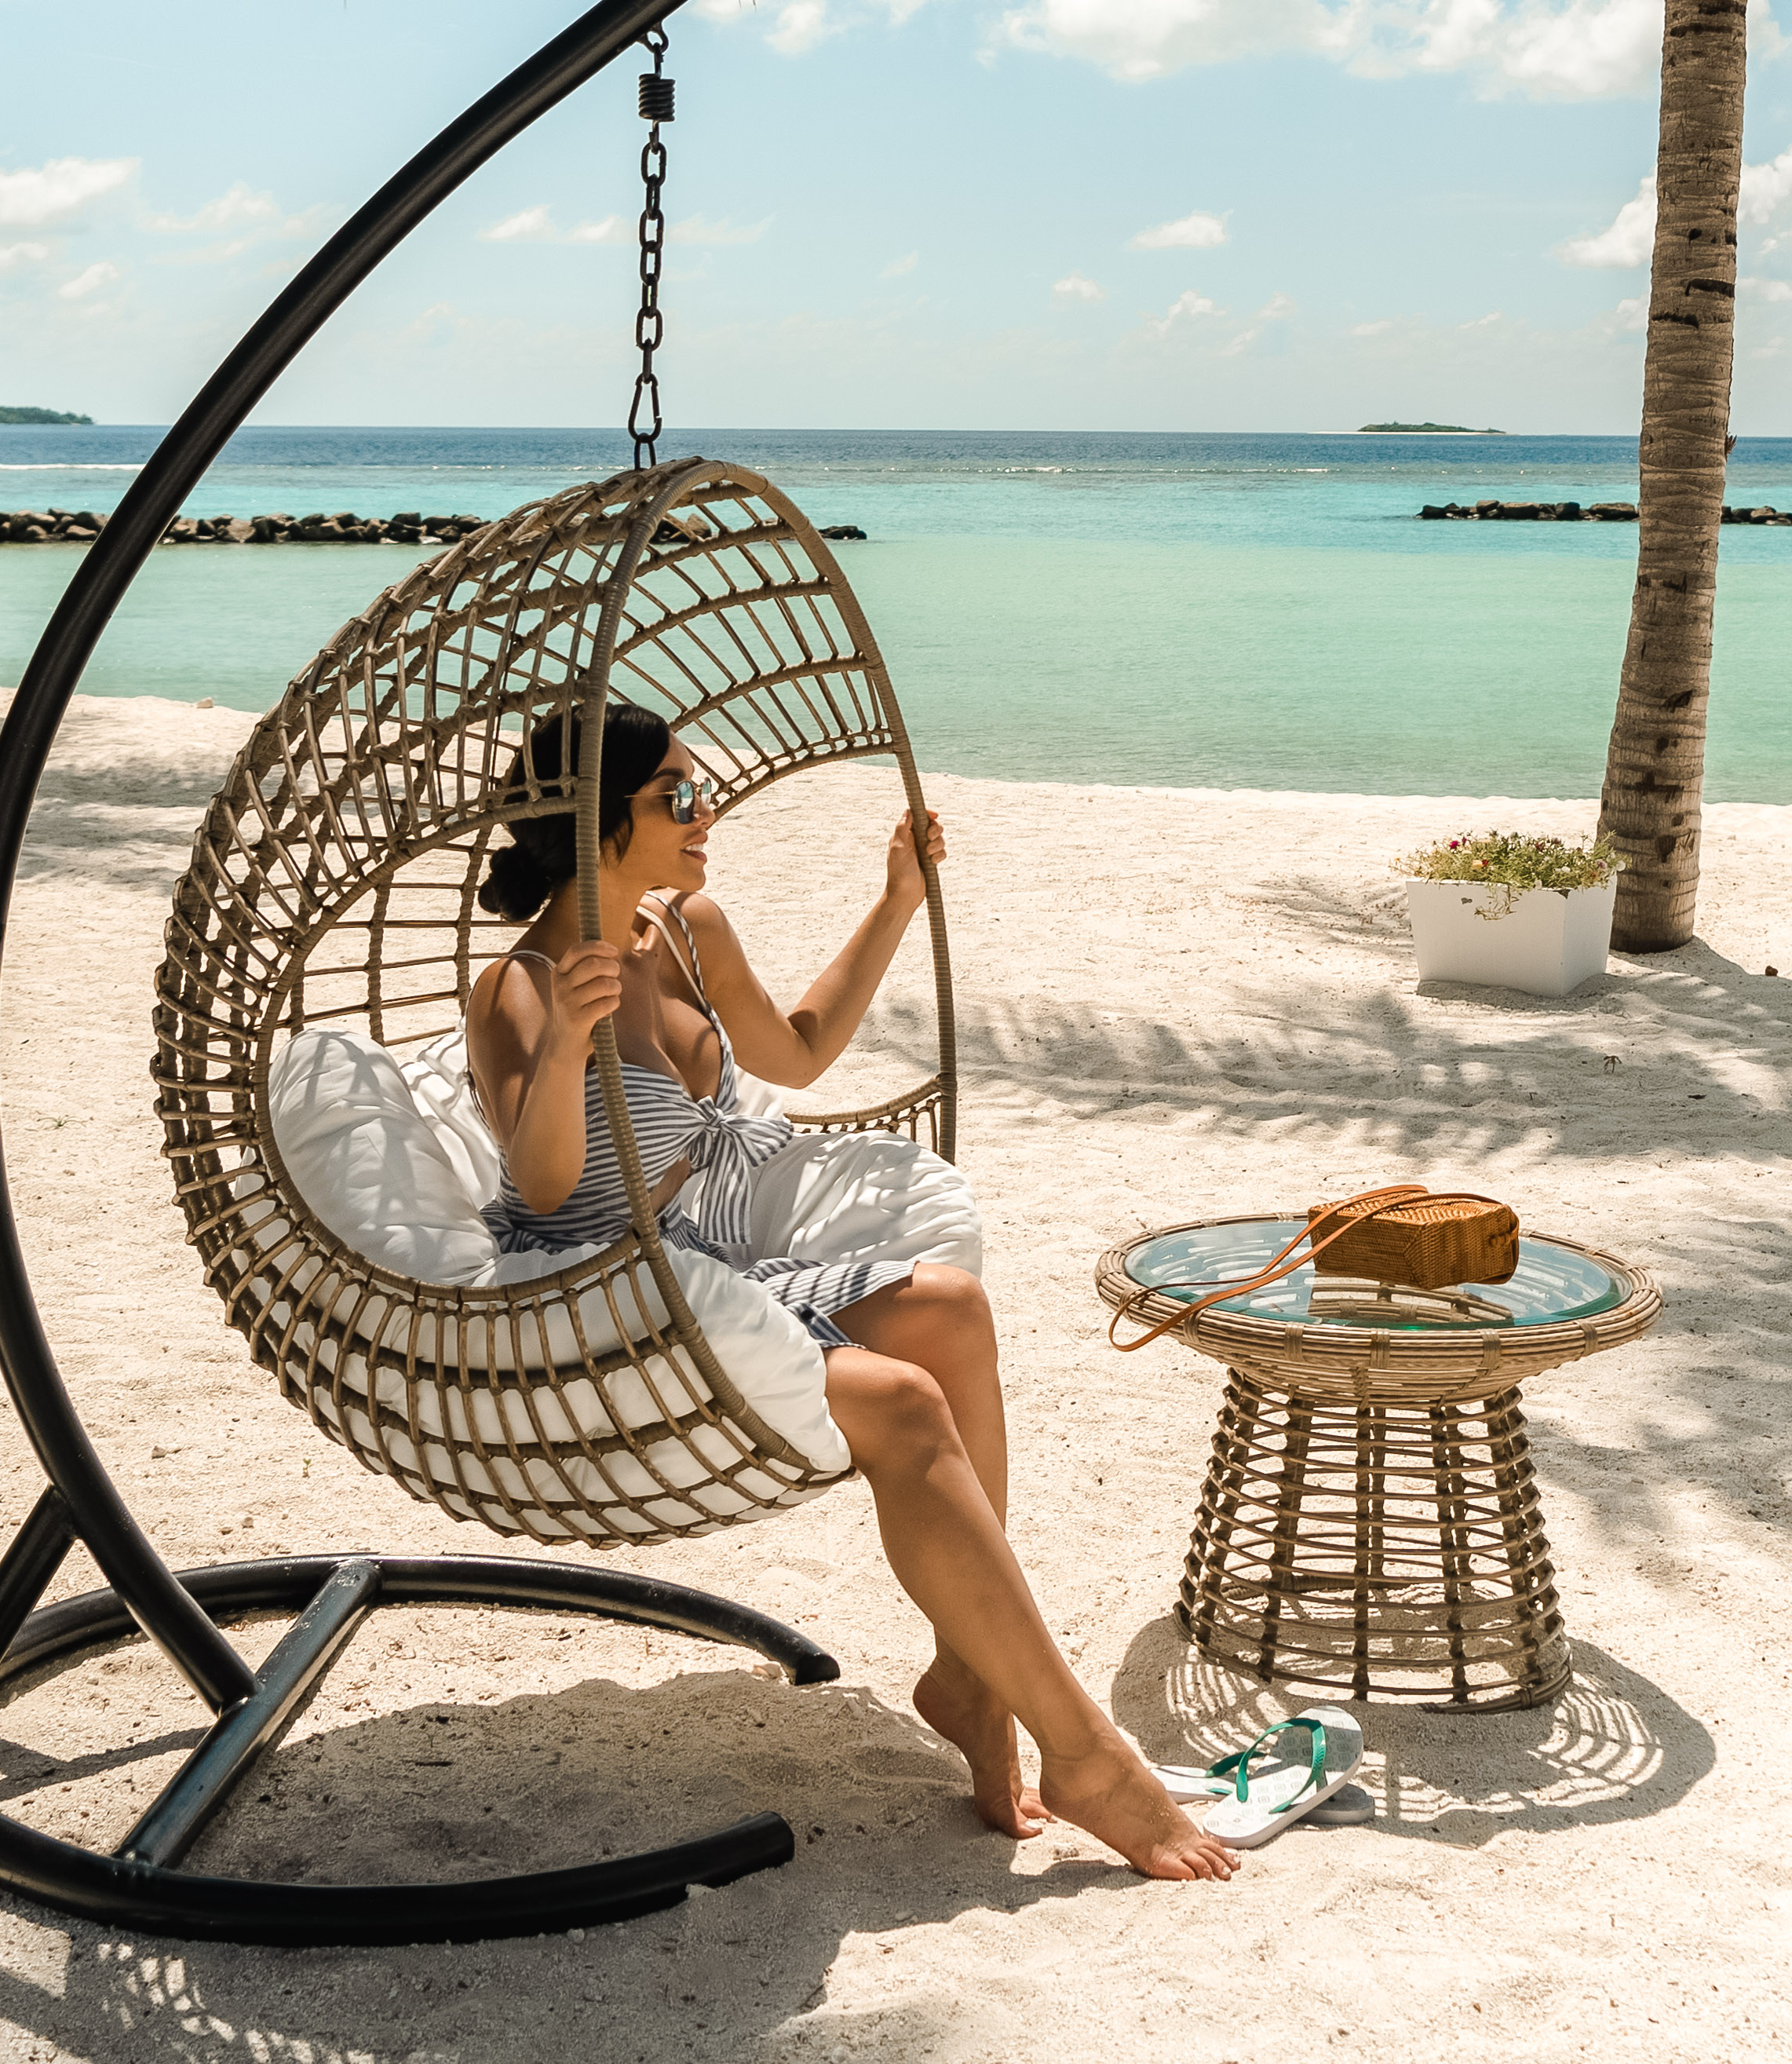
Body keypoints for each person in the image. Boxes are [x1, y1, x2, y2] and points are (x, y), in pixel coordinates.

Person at [466, 701, 1236, 1883]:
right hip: (600, 1304)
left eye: (697, 787)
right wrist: (567, 1042)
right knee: (903, 1402)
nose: (702, 812)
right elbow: (544, 1178)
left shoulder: (680, 927)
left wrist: (896, 900)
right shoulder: (519, 987)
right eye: (673, 797)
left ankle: (968, 1676)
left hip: (711, 1270)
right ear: (589, 817)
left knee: (949, 1308)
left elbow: (800, 1051)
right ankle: (1083, 1752)